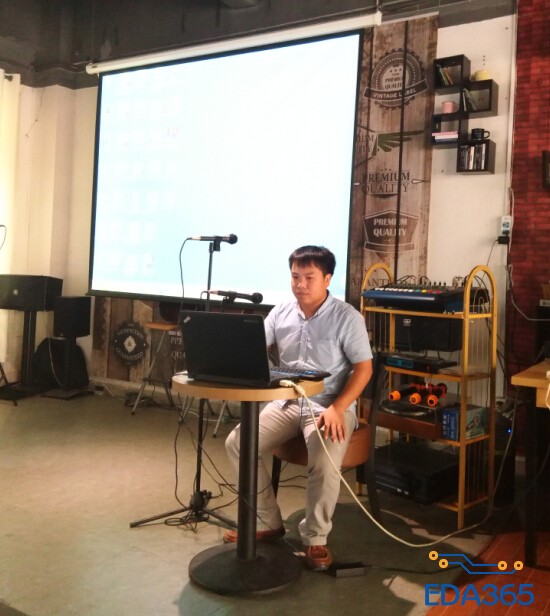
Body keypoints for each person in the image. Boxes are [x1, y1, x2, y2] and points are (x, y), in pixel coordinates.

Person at [224, 245, 373, 571]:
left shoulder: (347, 317)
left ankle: (316, 537)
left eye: (309, 277)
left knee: (324, 456)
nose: (300, 284)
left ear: (327, 279)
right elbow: (254, 347)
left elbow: (364, 370)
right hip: (287, 402)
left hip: (329, 405)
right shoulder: (281, 312)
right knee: (237, 443)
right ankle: (266, 520)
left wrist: (338, 408)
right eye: (295, 277)